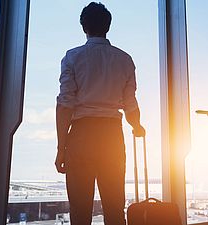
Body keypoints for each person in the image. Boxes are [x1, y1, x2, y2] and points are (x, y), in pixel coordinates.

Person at [55, 2, 145, 225]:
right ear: (108, 26)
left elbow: (65, 105)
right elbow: (131, 105)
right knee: (115, 208)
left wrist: (61, 148)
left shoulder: (72, 57)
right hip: (111, 135)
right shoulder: (125, 60)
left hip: (81, 135)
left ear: (83, 27)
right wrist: (137, 126)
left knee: (79, 209)